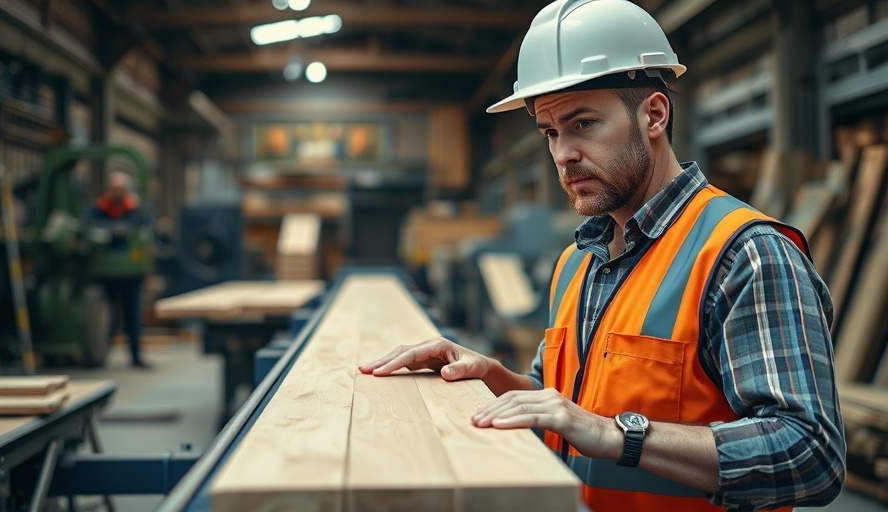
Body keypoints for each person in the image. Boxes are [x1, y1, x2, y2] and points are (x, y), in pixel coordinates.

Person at [360, 1, 845, 510]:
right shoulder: (577, 262)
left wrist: (620, 435)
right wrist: (492, 378)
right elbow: (563, 402)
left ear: (653, 114)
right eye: (550, 132)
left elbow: (811, 454)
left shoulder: (743, 255)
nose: (562, 154)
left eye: (583, 123)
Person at [87, 170, 152, 369]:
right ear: (109, 190)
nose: (118, 193)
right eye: (115, 189)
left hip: (131, 273)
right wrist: (113, 229)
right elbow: (90, 224)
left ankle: (135, 356)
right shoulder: (98, 209)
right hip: (107, 272)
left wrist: (124, 228)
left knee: (133, 314)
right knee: (108, 315)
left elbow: (144, 228)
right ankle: (102, 356)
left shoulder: (135, 210)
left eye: (121, 189)